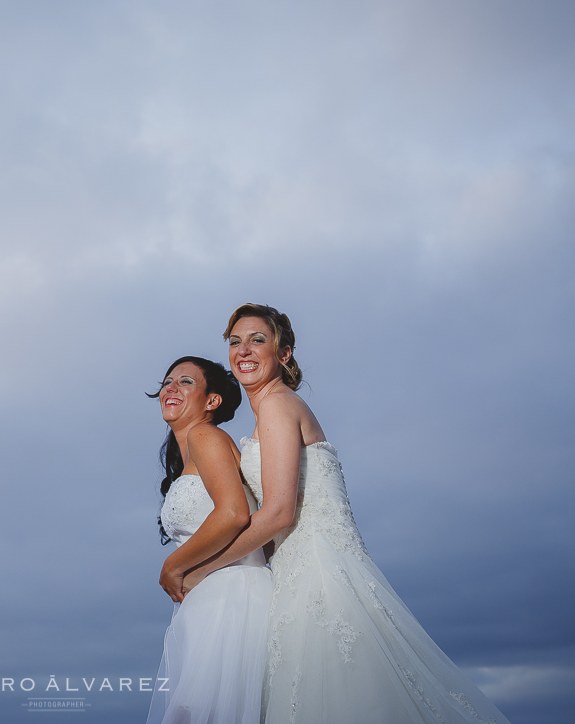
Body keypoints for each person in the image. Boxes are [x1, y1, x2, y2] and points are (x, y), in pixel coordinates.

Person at [182, 304, 512, 723]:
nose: (243, 350)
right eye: (235, 342)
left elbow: (280, 513)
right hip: (295, 571)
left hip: (318, 573)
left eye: (257, 340)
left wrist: (202, 567)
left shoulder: (278, 406)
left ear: (283, 354)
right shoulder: (272, 408)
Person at [146, 356, 274, 724]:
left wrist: (174, 564)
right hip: (209, 602)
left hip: (230, 601)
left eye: (185, 382)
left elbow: (234, 514)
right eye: (168, 381)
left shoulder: (205, 436)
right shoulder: (191, 452)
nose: (170, 388)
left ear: (211, 401)